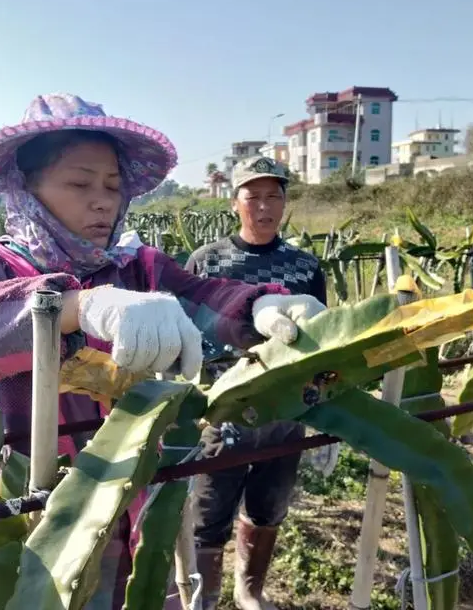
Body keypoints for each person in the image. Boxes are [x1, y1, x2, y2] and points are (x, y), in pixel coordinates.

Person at [0, 94, 326, 609]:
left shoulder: (138, 268)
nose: (103, 201)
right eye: (80, 183)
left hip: (143, 503)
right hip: (27, 515)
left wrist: (261, 307)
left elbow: (202, 297)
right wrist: (72, 307)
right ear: (27, 188)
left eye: (112, 186)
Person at [185, 156, 328, 610]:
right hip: (224, 407)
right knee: (209, 510)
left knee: (269, 504)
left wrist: (324, 405)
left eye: (274, 196)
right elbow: (188, 336)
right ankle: (205, 597)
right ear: (235, 203)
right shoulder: (207, 262)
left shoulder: (305, 267)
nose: (265, 207)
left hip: (286, 408)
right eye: (254, 197)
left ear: (285, 203)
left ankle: (250, 591)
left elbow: (321, 342)